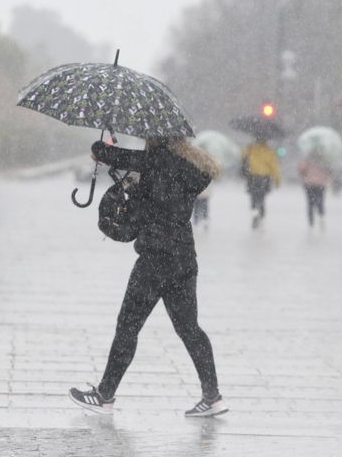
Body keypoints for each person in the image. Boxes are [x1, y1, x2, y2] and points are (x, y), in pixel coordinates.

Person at [68, 136, 228, 418]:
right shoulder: (189, 168)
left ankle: (104, 395)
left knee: (128, 326)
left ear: (155, 138)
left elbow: (106, 153)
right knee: (190, 328)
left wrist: (102, 147)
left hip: (155, 259)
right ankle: (213, 397)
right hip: (184, 259)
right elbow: (155, 190)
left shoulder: (155, 161)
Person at [241, 138, 281, 229]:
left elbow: (243, 156)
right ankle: (261, 217)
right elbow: (274, 166)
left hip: (252, 177)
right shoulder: (269, 151)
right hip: (264, 178)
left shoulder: (250, 148)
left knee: (253, 198)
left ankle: (254, 213)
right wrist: (277, 180)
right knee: (262, 198)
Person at [297, 151, 332, 228]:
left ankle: (311, 221)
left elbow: (301, 170)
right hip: (321, 184)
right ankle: (321, 216)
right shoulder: (324, 160)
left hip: (309, 184)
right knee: (320, 200)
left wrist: (303, 172)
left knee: (310, 202)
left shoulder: (307, 160)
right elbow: (329, 171)